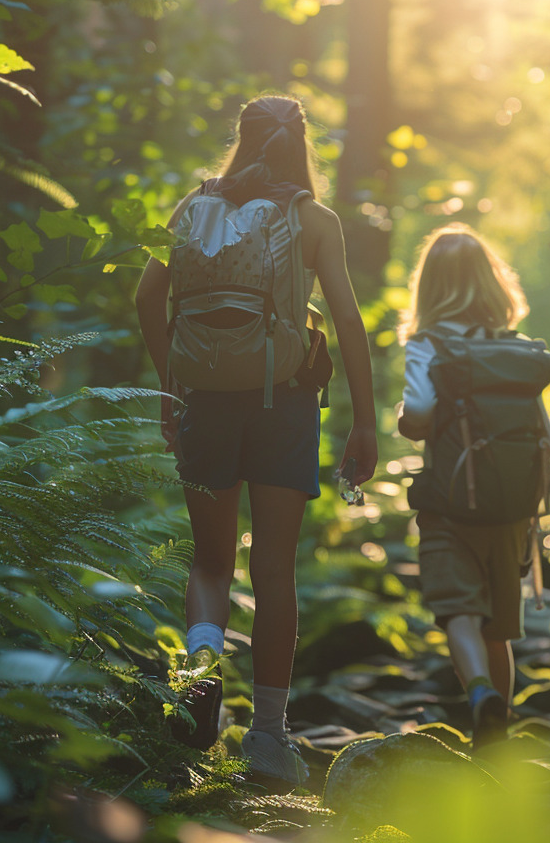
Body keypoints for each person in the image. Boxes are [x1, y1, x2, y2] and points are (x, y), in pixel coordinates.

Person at [134, 95, 378, 786]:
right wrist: (363, 420)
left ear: (240, 142)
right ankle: (269, 739)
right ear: (301, 145)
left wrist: (170, 385)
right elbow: (348, 322)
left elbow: (147, 299)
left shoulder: (192, 210)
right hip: (287, 404)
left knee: (211, 564)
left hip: (206, 399)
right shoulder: (314, 220)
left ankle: (201, 674)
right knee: (273, 570)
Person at [396, 224, 549, 751]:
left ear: (430, 287)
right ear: (492, 283)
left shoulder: (428, 345)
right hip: (510, 512)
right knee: (499, 628)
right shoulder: (517, 351)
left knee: (460, 611)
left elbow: (417, 413)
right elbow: (546, 436)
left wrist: (405, 420)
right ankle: (497, 739)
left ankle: (480, 693)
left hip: (450, 506)